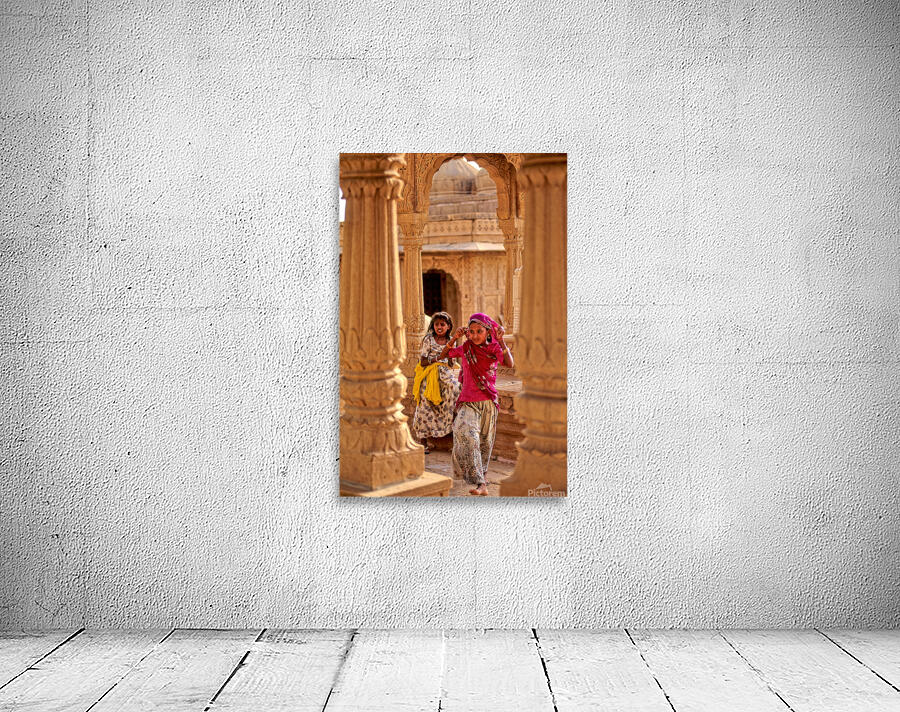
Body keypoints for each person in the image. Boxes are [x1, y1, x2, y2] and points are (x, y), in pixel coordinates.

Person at [437, 312, 514, 495]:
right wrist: (455, 337)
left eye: (479, 331)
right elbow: (443, 355)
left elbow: (509, 363)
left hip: (487, 402)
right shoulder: (466, 348)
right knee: (466, 434)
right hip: (467, 402)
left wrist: (502, 342)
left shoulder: (494, 348)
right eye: (471, 331)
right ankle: (478, 479)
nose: (474, 335)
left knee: (485, 443)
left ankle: (482, 483)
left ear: (488, 332)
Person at [411, 312, 461, 454]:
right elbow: (423, 361)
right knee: (424, 402)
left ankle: (453, 436)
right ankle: (423, 442)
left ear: (448, 326)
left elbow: (451, 362)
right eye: (437, 324)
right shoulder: (429, 339)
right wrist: (437, 359)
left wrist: (451, 356)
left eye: (442, 324)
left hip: (445, 373)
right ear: (433, 326)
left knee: (456, 391)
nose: (439, 327)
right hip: (429, 373)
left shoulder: (451, 340)